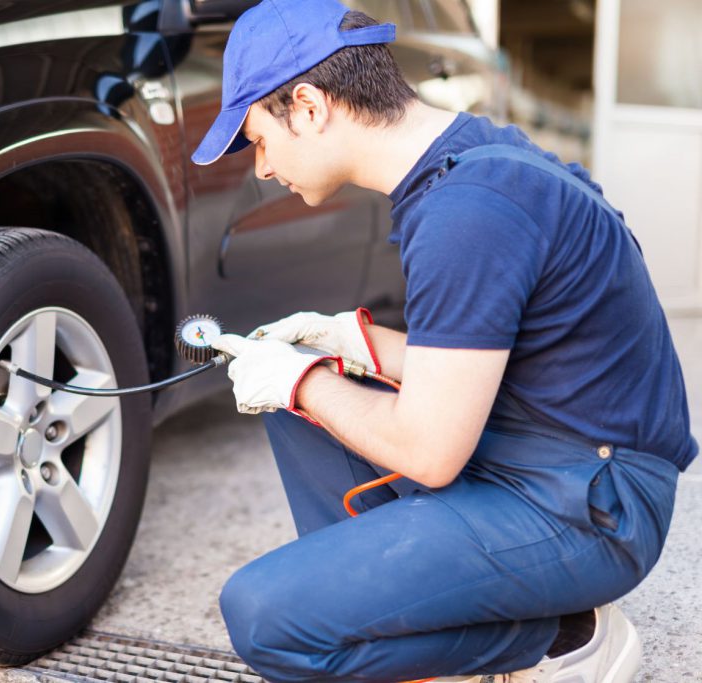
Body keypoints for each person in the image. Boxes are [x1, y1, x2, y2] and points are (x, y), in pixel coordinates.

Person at [191, 1, 698, 682]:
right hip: (551, 447)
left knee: (264, 616)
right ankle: (412, 606)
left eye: (258, 138)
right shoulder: (469, 161)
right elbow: (496, 358)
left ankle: (554, 640)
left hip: (592, 505)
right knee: (301, 395)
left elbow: (430, 451)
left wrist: (302, 378)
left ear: (309, 106)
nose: (262, 167)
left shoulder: (468, 210)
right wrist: (350, 345)